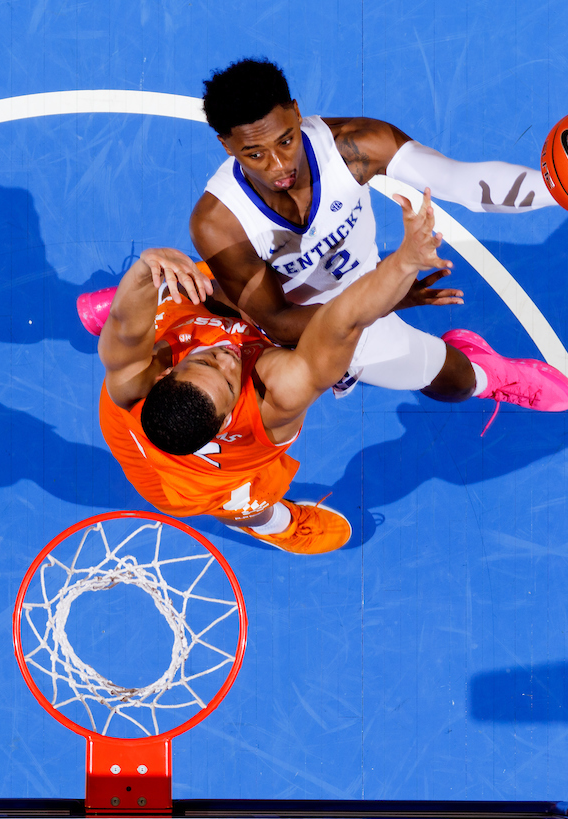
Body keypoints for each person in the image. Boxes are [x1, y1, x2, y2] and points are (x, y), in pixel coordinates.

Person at [188, 58, 568, 432]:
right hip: (300, 323)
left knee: (457, 383)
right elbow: (279, 323)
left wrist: (564, 190)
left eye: (286, 141)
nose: (277, 166)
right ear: (226, 145)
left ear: (296, 111)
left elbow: (460, 182)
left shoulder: (354, 146)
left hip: (363, 282)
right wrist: (384, 298)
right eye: (254, 154)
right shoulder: (219, 223)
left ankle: (489, 373)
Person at [98, 188, 450, 554]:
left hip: (126, 431)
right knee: (243, 505)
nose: (228, 356)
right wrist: (403, 266)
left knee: (189, 287)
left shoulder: (131, 384)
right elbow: (342, 321)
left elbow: (125, 323)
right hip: (190, 487)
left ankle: (127, 296)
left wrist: (145, 268)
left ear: (163, 376)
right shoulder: (278, 394)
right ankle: (279, 528)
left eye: (205, 361)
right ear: (223, 424)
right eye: (230, 379)